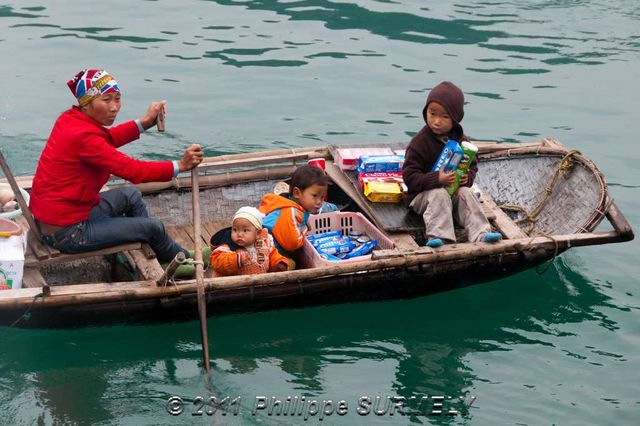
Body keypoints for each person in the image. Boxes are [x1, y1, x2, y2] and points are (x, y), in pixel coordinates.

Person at [29, 68, 204, 264]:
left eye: (117, 98)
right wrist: (181, 165)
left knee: (131, 196)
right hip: (66, 232)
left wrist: (145, 122)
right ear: (86, 104)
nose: (114, 107)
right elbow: (134, 170)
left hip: (64, 214)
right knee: (154, 227)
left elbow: (107, 140)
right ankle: (184, 262)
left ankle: (152, 252)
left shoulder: (70, 118)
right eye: (106, 100)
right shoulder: (83, 136)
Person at [402, 81, 502, 248]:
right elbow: (409, 178)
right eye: (432, 113)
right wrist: (437, 178)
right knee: (438, 194)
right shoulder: (419, 143)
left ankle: (481, 234)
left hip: (452, 194)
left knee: (466, 193)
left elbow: (473, 167)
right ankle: (441, 238)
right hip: (421, 197)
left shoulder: (462, 141)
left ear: (455, 119)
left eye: (445, 116)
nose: (436, 121)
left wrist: (467, 178)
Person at [259, 164, 329, 256]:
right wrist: (305, 229)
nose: (319, 202)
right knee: (291, 264)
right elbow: (292, 244)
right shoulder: (290, 211)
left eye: (322, 197)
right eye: (314, 196)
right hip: (265, 252)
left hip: (271, 247)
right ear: (297, 193)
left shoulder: (294, 205)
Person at [209, 206, 292, 276]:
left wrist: (278, 263)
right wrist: (236, 259)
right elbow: (217, 262)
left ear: (258, 233)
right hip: (235, 288)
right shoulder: (228, 246)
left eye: (245, 230)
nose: (239, 234)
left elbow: (272, 255)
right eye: (235, 230)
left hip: (259, 284)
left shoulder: (265, 243)